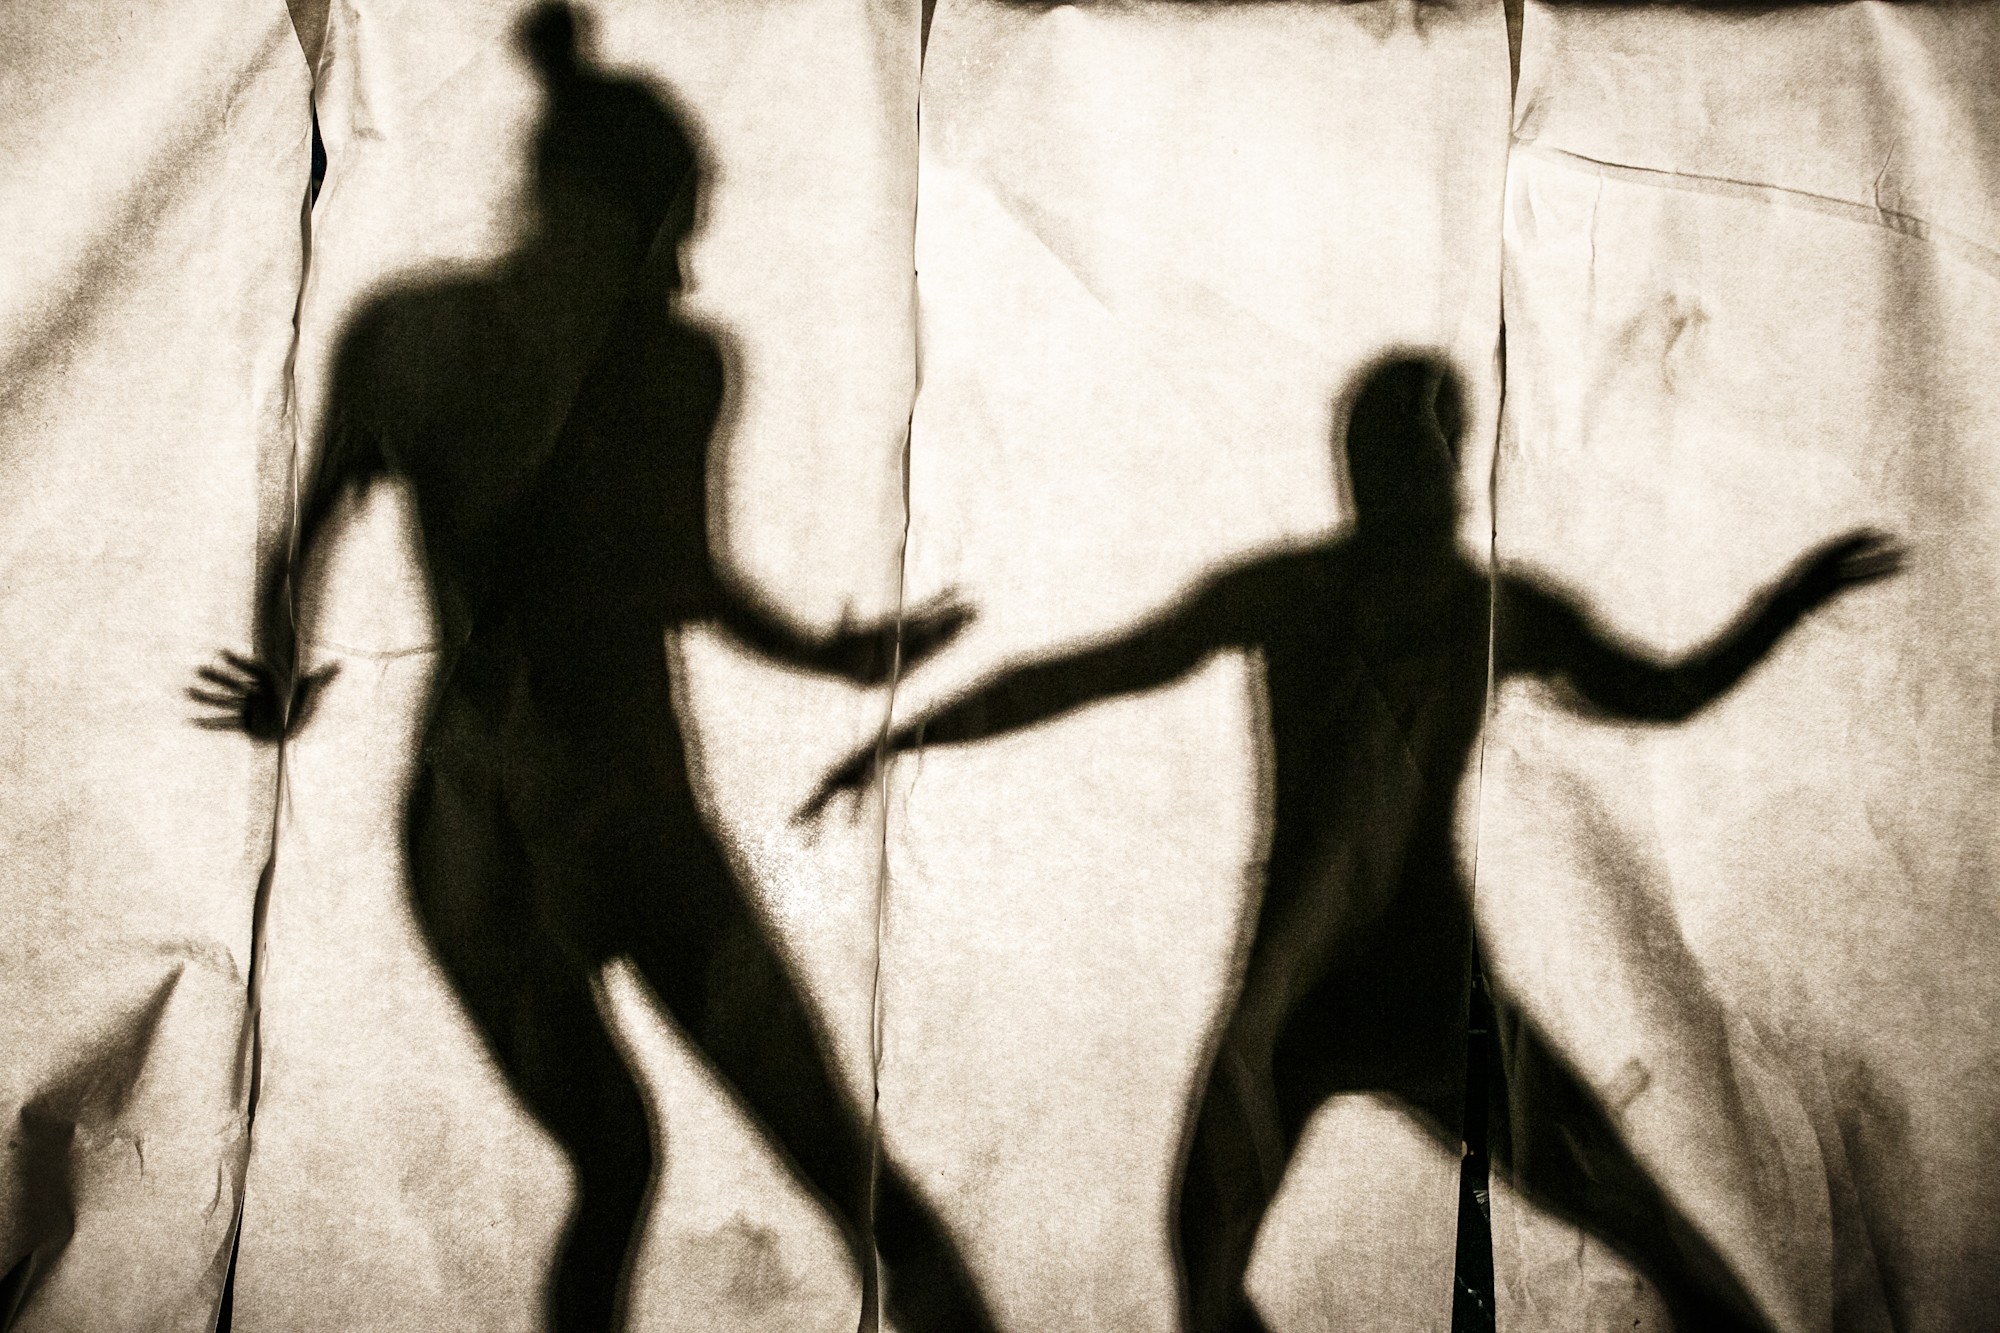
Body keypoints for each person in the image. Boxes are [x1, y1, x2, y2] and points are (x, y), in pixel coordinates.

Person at [803, 354, 1904, 1332]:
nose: (1394, 478)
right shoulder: (1336, 596)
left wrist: (1786, 602)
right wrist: (907, 736)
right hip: (1335, 995)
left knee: (1624, 1223)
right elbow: (1090, 672)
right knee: (1209, 1263)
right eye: (1379, 453)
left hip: (1375, 988)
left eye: (1407, 453)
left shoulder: (1447, 606)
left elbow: (1661, 693)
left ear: (1444, 465)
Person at [192, 7, 989, 1329]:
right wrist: (281, 671)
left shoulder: (649, 363)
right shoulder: (443, 342)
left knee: (797, 1169)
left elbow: (675, 576)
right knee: (634, 1159)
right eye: (672, 222)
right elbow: (316, 526)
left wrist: (832, 654)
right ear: (597, 210)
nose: (683, 258)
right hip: (498, 833)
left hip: (597, 818)